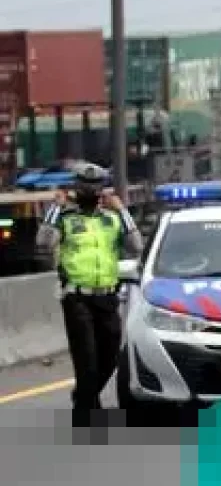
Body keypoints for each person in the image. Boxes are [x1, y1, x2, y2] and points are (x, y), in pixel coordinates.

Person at [36, 163, 144, 424]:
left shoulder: (111, 219)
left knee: (109, 359)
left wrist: (122, 210)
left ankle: (84, 398)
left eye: (95, 186)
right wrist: (55, 208)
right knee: (88, 364)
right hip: (77, 299)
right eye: (85, 186)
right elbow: (44, 243)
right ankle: (85, 419)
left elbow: (136, 246)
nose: (90, 191)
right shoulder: (66, 218)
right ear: (76, 189)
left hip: (107, 297)